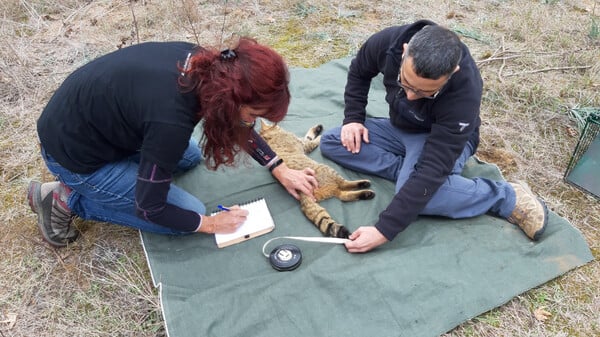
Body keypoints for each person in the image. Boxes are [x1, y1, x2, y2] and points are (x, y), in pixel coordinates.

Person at [27, 37, 318, 247]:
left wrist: (278, 166)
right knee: (188, 215)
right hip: (75, 158)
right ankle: (66, 198)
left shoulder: (211, 65)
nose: (252, 122)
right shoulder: (171, 121)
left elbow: (238, 121)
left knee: (188, 156)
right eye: (254, 114)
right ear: (229, 100)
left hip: (94, 127)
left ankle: (117, 172)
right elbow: (150, 207)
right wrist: (210, 224)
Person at [319, 20, 548, 253]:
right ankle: (411, 178)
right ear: (405, 50)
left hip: (439, 139)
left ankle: (505, 196)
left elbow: (433, 167)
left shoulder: (465, 92)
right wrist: (353, 118)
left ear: (452, 74)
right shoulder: (388, 42)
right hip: (401, 128)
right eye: (405, 82)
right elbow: (359, 70)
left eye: (424, 92)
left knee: (426, 195)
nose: (409, 96)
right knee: (334, 142)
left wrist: (383, 230)